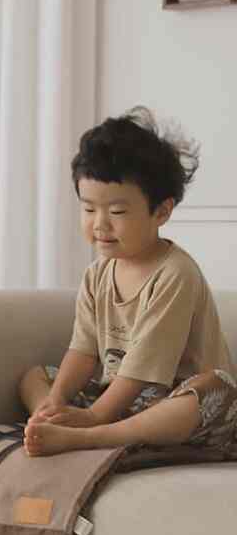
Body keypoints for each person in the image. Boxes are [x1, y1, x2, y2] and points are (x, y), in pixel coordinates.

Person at [18, 106, 237, 458]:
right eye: (89, 209)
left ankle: (92, 437)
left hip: (177, 401)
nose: (100, 224)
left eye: (117, 212)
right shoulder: (97, 274)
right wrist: (56, 400)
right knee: (35, 376)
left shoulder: (175, 273)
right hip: (122, 400)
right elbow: (84, 350)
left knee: (217, 387)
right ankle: (50, 419)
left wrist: (95, 417)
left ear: (161, 211)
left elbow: (143, 368)